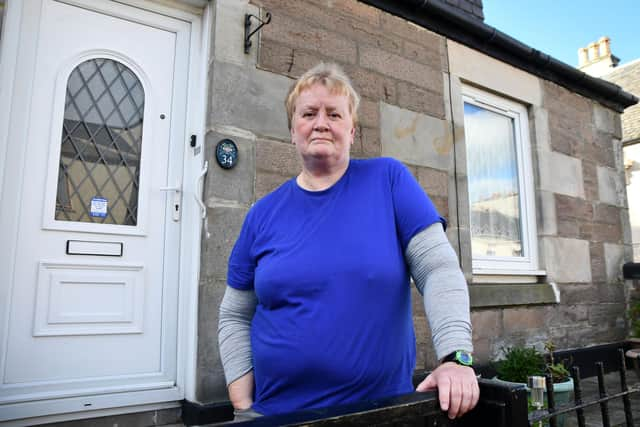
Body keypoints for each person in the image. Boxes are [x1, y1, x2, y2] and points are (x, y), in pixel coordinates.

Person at [218, 63, 478, 422]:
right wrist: (242, 402)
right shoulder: (262, 214)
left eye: (334, 114)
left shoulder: (388, 181)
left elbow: (439, 270)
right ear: (293, 130)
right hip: (274, 415)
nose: (321, 122)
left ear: (352, 130)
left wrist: (455, 358)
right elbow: (234, 313)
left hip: (376, 414)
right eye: (308, 113)